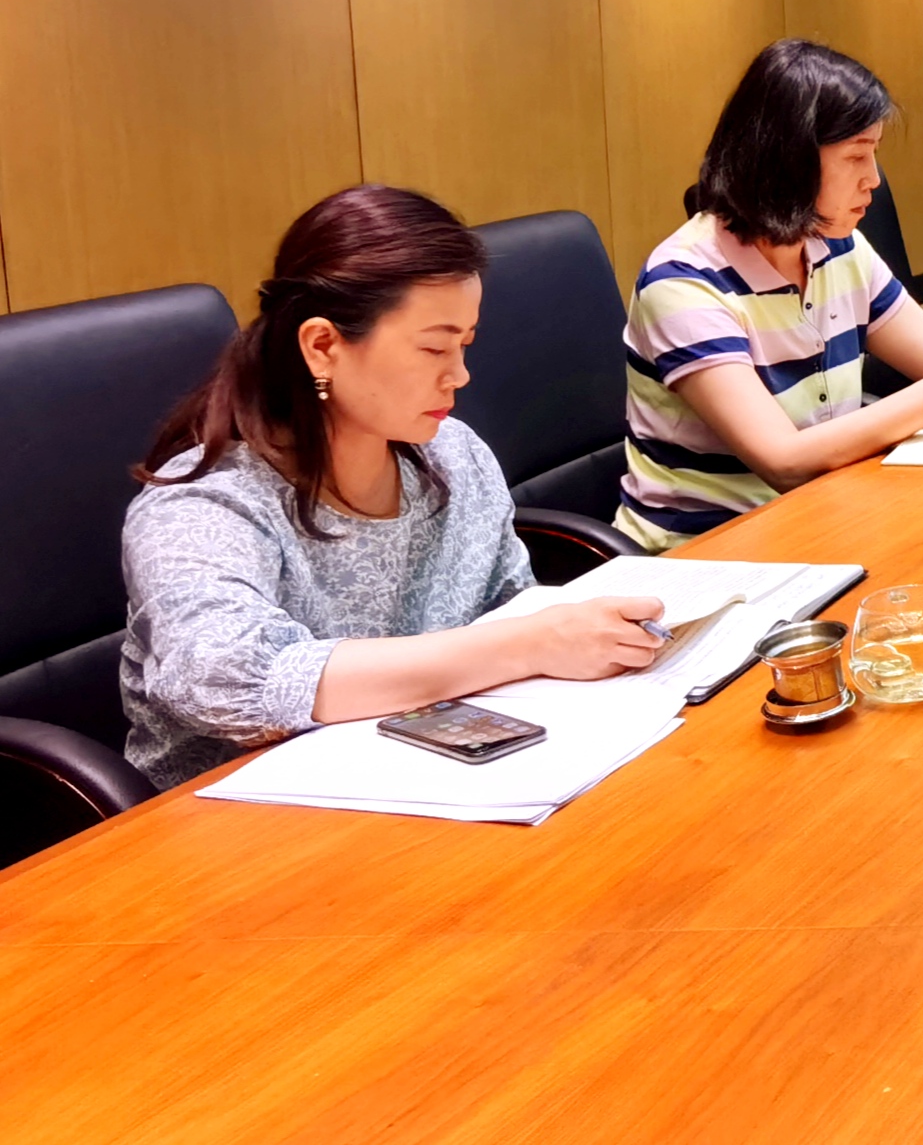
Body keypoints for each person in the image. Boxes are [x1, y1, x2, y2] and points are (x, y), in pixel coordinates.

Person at [123, 186, 669, 789]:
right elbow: (222, 680)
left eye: (464, 345)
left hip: (441, 775)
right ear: (323, 346)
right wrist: (531, 644)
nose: (459, 375)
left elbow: (508, 605)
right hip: (242, 813)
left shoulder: (453, 453)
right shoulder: (203, 504)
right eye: (433, 347)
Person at [620, 40, 923, 549]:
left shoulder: (837, 247)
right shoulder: (684, 283)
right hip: (712, 552)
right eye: (857, 156)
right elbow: (785, 462)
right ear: (786, 161)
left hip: (829, 516)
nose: (874, 180)